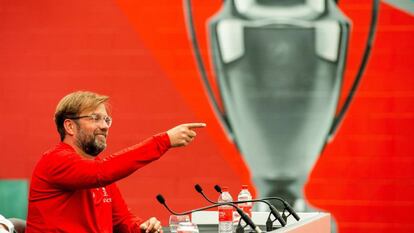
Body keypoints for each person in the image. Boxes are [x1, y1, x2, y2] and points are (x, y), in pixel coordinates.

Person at [26, 91, 206, 233]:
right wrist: (164, 140)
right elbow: (102, 172)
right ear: (70, 126)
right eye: (95, 118)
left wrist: (141, 228)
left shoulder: (97, 171)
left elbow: (122, 220)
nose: (104, 126)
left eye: (106, 119)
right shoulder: (55, 160)